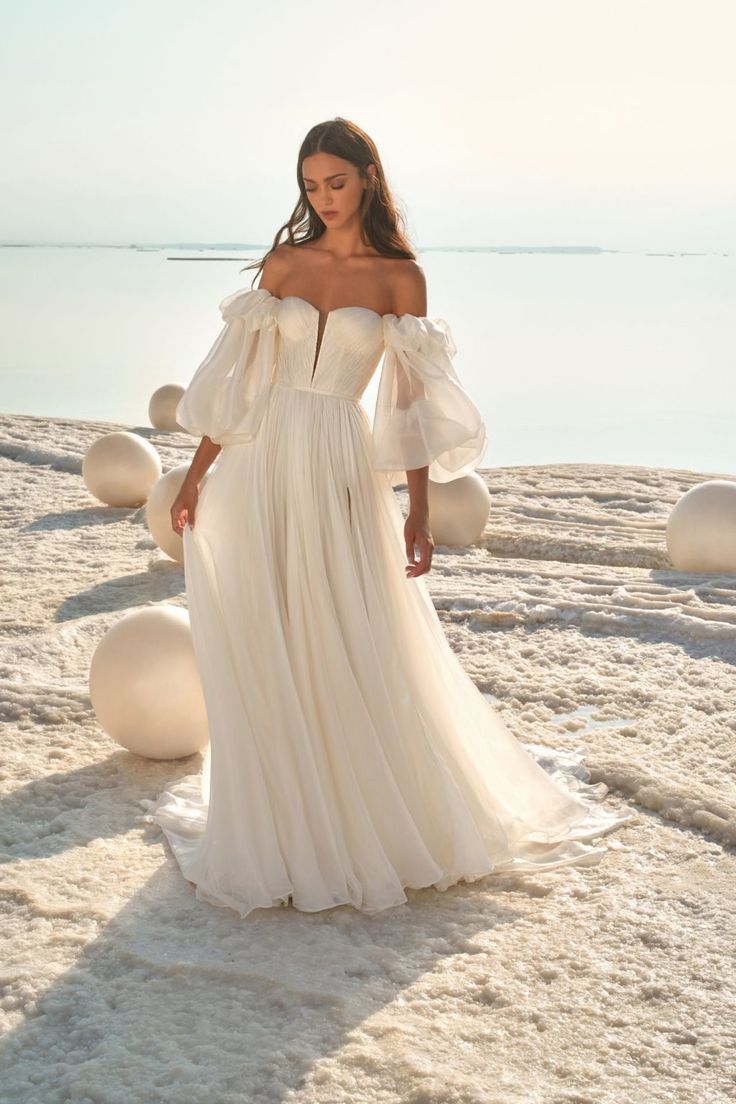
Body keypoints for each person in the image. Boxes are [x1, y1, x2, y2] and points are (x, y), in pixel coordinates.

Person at [142, 117, 633, 919]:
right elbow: (238, 382)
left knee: (346, 624)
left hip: (340, 458)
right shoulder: (284, 264)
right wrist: (197, 475)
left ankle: (356, 813)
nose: (323, 198)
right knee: (270, 626)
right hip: (262, 455)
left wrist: (419, 507)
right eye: (309, 186)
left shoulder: (401, 279)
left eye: (336, 182)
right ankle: (279, 814)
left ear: (368, 177)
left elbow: (408, 403)